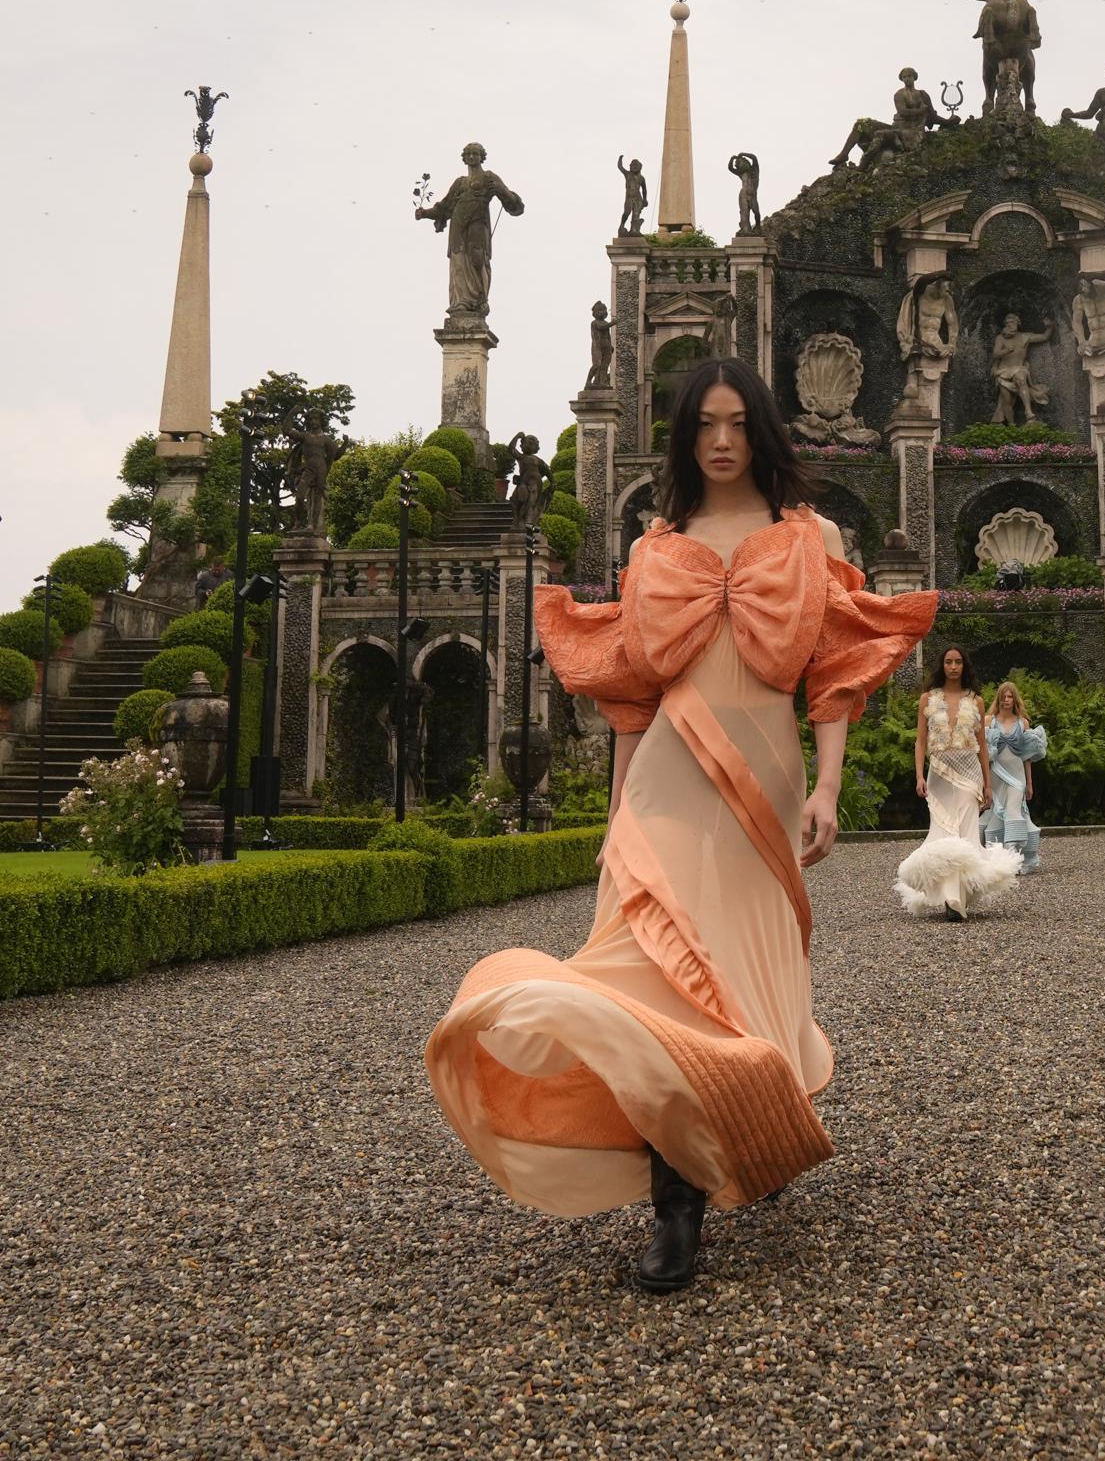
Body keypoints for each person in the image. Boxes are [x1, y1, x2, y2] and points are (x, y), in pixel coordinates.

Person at [426, 357, 935, 1296]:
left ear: (763, 429)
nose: (723, 439)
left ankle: (751, 1117)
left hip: (767, 782)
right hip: (666, 774)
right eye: (705, 422)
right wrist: (617, 817)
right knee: (656, 974)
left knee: (742, 969)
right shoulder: (658, 546)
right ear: (685, 433)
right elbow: (631, 696)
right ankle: (677, 1204)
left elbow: (833, 671)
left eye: (739, 421)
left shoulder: (808, 535)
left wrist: (828, 787)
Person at [897, 646, 1025, 920]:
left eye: (957, 662)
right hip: (939, 773)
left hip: (969, 773)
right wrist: (919, 775)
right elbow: (920, 741)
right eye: (948, 662)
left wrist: (988, 785)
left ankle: (957, 897)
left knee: (966, 832)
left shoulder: (976, 701)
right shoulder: (927, 699)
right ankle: (951, 895)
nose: (953, 667)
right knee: (943, 830)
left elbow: (982, 746)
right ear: (942, 666)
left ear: (964, 666)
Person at [981, 682, 1046, 875]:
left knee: (1013, 810)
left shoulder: (1022, 723)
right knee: (995, 814)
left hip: (1017, 775)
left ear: (1015, 699)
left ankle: (1012, 858)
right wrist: (984, 783)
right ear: (998, 698)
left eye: (1010, 697)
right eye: (1003, 696)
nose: (1006, 700)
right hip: (996, 774)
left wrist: (1030, 783)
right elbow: (983, 754)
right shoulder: (988, 721)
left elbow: (1027, 756)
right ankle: (995, 859)